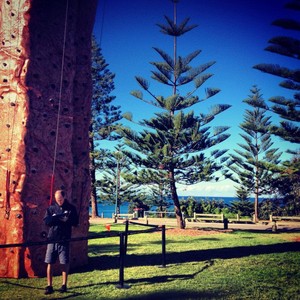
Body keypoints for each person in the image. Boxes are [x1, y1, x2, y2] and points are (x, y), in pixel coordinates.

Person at [43, 189, 78, 295]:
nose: (59, 201)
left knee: (64, 262)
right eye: (57, 199)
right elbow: (46, 221)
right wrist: (56, 219)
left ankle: (64, 285)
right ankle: (49, 286)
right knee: (49, 262)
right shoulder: (51, 208)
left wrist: (67, 220)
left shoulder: (71, 208)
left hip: (64, 239)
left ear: (64, 197)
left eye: (61, 199)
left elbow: (76, 222)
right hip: (52, 239)